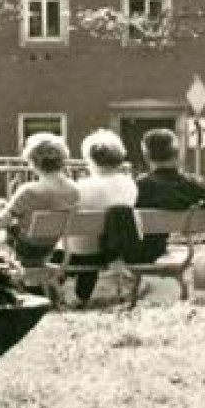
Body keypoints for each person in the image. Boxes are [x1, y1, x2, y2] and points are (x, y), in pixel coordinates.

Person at [64, 128, 138, 306]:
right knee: (90, 245)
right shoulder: (129, 184)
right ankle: (81, 297)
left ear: (90, 160)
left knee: (76, 248)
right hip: (115, 249)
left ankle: (64, 295)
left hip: (83, 253)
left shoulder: (82, 186)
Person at [133, 128, 205, 263]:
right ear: (176, 154)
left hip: (137, 250)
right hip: (160, 250)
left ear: (146, 156)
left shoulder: (140, 185)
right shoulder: (188, 184)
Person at [0, 132, 81, 265]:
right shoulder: (74, 190)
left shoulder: (29, 191)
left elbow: (1, 223)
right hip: (50, 248)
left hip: (25, 249)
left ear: (34, 162)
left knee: (0, 233)